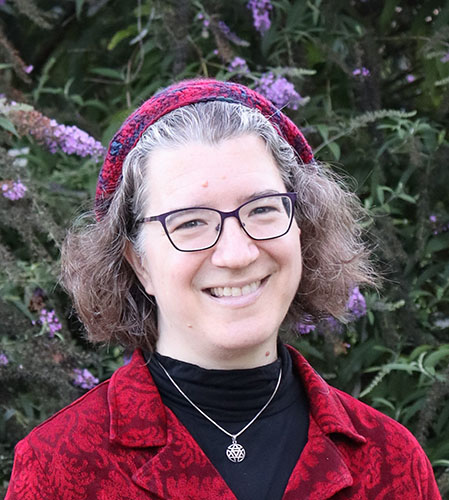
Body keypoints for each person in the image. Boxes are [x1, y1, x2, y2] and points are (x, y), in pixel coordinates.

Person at [5, 79, 441, 500]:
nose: (236, 254)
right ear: (138, 262)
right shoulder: (59, 470)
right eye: (190, 222)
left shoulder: (391, 461)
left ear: (303, 230)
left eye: (264, 209)